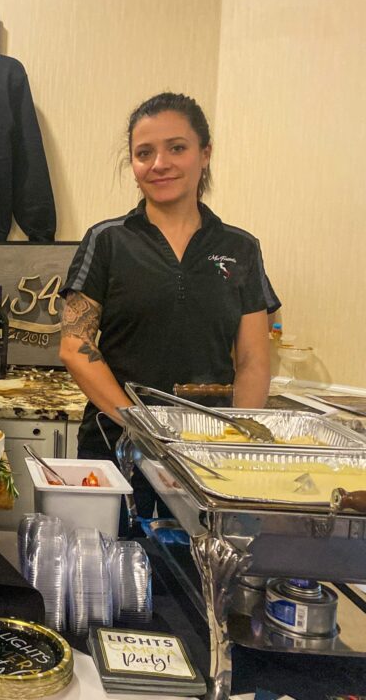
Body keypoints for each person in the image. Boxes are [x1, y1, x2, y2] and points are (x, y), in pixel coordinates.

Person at [59, 92, 280, 519]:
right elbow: (75, 346)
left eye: (176, 148)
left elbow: (253, 360)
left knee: (196, 576)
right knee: (111, 575)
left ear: (205, 154)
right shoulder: (107, 240)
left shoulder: (240, 248)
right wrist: (145, 431)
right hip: (115, 446)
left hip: (205, 456)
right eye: (144, 153)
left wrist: (236, 442)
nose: (159, 164)